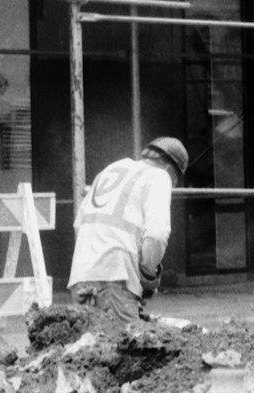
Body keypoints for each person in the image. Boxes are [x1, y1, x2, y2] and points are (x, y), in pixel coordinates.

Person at [68, 136, 189, 323]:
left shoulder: (112, 169)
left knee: (89, 346)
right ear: (170, 170)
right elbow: (156, 235)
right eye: (174, 183)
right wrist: (148, 275)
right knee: (128, 346)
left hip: (81, 275)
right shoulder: (159, 176)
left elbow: (79, 224)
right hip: (115, 277)